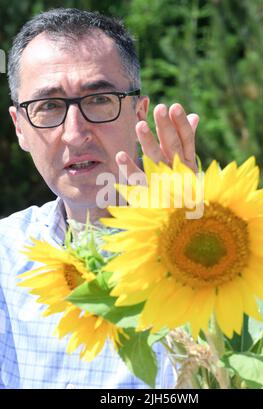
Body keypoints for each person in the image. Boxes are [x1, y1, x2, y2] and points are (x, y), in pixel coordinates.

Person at [0, 8, 199, 388]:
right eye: (49, 106)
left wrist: (193, 238)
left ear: (138, 112)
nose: (75, 134)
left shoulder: (207, 227)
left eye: (99, 99)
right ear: (20, 128)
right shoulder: (5, 258)